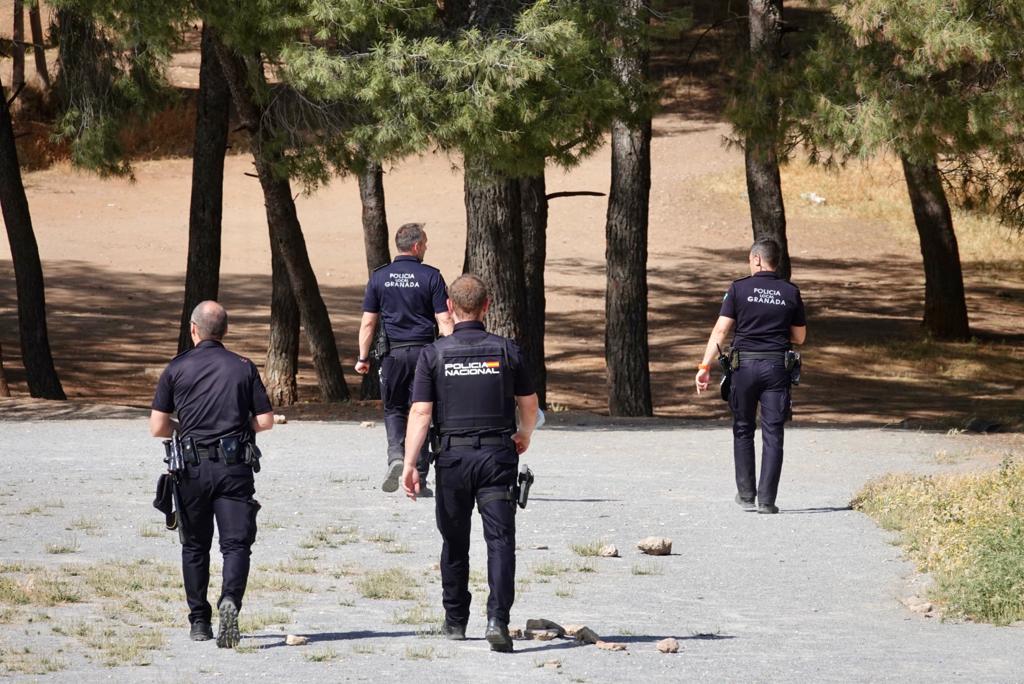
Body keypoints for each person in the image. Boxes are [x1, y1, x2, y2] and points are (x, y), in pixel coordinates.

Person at [401, 274, 538, 653]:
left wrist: (410, 464)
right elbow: (529, 404)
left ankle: (456, 620)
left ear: (448, 307)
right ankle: (498, 620)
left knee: (455, 541)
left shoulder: (434, 354)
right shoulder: (507, 350)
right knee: (500, 541)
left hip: (453, 460)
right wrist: (524, 434)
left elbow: (420, 412)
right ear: (486, 305)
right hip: (497, 457)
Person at [149, 301, 274, 647]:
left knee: (194, 546)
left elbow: (158, 427)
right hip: (234, 468)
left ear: (193, 329)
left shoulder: (177, 368)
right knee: (236, 545)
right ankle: (230, 600)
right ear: (225, 331)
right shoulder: (243, 367)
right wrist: (237, 429)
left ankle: (199, 621)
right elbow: (265, 420)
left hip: (191, 468)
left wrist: (184, 426)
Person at [695, 239, 806, 514]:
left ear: (756, 259)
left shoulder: (739, 288)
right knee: (773, 432)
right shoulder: (790, 292)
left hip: (743, 367)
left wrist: (704, 366)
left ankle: (746, 495)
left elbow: (721, 332)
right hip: (776, 368)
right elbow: (800, 337)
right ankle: (767, 501)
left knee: (743, 427)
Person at [355, 222, 453, 495]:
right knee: (421, 409)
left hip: (392, 355)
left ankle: (396, 457)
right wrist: (450, 351)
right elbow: (444, 319)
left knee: (394, 408)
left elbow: (368, 323)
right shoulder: (431, 276)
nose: (426, 248)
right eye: (425, 244)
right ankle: (419, 475)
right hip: (425, 353)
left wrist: (363, 357)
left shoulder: (379, 277)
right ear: (417, 246)